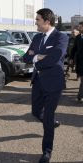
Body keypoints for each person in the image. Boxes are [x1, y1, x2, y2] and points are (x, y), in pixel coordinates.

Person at [22, 8, 68, 163]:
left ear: (47, 22)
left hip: (54, 83)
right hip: (38, 82)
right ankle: (51, 123)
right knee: (35, 112)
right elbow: (25, 57)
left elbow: (54, 58)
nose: (35, 22)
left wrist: (35, 58)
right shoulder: (37, 37)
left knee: (47, 117)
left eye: (38, 20)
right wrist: (37, 57)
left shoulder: (61, 37)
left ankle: (46, 152)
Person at [70, 22, 83, 101]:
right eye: (79, 26)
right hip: (80, 62)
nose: (79, 28)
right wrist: (71, 58)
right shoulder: (78, 37)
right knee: (82, 79)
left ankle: (80, 95)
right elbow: (74, 49)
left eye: (80, 26)